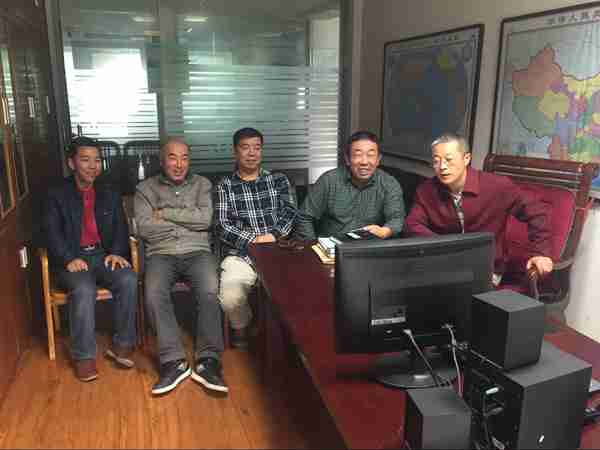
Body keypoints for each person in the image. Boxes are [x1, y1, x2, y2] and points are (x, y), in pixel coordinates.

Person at [135, 137, 227, 395]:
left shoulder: (202, 184)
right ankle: (173, 361)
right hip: (161, 253)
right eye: (172, 157)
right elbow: (144, 228)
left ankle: (208, 360)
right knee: (154, 293)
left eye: (184, 158)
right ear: (162, 160)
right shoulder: (145, 189)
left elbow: (205, 220)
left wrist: (164, 213)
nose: (179, 164)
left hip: (197, 252)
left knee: (210, 289)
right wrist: (187, 221)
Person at [44, 136, 137, 382]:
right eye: (85, 160)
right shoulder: (56, 194)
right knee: (84, 288)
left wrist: (116, 251)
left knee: (128, 279)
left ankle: (122, 345)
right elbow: (51, 232)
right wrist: (68, 258)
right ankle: (84, 357)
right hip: (73, 258)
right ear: (72, 163)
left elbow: (120, 227)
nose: (93, 166)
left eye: (97, 160)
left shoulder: (109, 192)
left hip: (102, 255)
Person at [404, 133, 553, 285]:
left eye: (449, 160)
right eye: (436, 161)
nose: (442, 166)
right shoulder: (426, 190)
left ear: (466, 158)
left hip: (485, 269)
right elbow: (412, 224)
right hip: (443, 265)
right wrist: (445, 246)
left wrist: (541, 253)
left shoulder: (496, 186)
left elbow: (536, 211)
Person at [214, 127, 298, 348]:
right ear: (235, 152)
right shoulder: (225, 185)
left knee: (297, 289)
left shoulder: (278, 180)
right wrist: (254, 239)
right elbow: (222, 225)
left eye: (257, 148)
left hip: (278, 248)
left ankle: (288, 335)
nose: (252, 153)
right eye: (245, 148)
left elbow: (290, 213)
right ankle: (243, 327)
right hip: (241, 253)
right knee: (230, 296)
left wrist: (273, 235)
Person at [295, 130, 406, 241]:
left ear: (378, 160)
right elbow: (304, 216)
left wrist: (385, 231)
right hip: (331, 246)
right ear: (347, 159)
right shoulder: (329, 180)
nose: (364, 162)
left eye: (370, 155)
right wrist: (313, 245)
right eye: (358, 155)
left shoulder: (389, 184)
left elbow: (396, 219)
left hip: (369, 246)